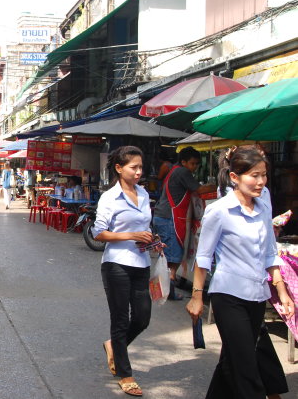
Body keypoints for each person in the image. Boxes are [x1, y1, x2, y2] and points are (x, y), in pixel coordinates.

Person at [186, 145, 293, 399]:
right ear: (234, 177)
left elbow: (269, 253)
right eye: (254, 176)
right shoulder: (219, 210)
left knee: (231, 362)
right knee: (247, 370)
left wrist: (282, 292)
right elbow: (204, 256)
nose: (260, 182)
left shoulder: (263, 207)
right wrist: (197, 295)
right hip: (228, 296)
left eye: (263, 175)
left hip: (257, 296)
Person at [93, 146, 163, 397]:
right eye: (133, 167)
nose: (138, 172)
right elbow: (98, 233)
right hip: (116, 264)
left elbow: (144, 227)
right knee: (120, 320)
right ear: (119, 168)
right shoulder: (110, 197)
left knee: (142, 318)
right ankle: (125, 373)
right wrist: (131, 235)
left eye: (141, 167)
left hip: (141, 263)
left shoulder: (143, 194)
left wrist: (152, 240)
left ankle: (113, 346)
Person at [153, 146, 215, 301]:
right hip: (169, 218)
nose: (194, 168)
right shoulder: (182, 172)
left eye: (196, 165)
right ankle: (168, 292)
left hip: (164, 216)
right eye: (192, 164)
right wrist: (215, 186)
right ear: (183, 162)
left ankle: (165, 290)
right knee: (173, 258)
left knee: (168, 257)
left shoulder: (174, 170)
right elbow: (199, 190)